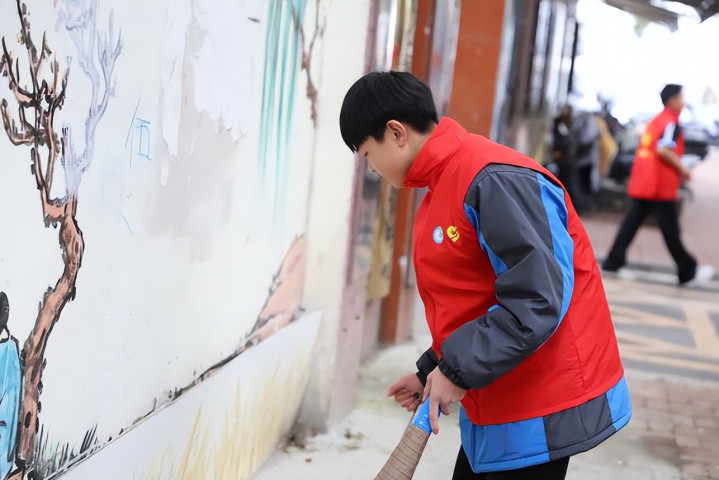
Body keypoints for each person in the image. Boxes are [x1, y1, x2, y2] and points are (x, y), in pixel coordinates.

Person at [339, 71, 631, 480]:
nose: (371, 168)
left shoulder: (492, 179)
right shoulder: (446, 181)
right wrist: (433, 370)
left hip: (540, 403)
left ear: (396, 132)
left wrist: (455, 372)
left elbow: (537, 298)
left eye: (368, 154)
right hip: (505, 394)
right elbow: (475, 297)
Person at [602, 84, 715, 285]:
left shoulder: (656, 120)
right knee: (670, 229)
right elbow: (664, 149)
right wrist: (683, 169)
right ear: (672, 100)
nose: (683, 102)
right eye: (681, 98)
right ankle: (687, 269)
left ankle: (613, 261)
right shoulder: (671, 122)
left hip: (645, 181)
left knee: (632, 224)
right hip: (658, 186)